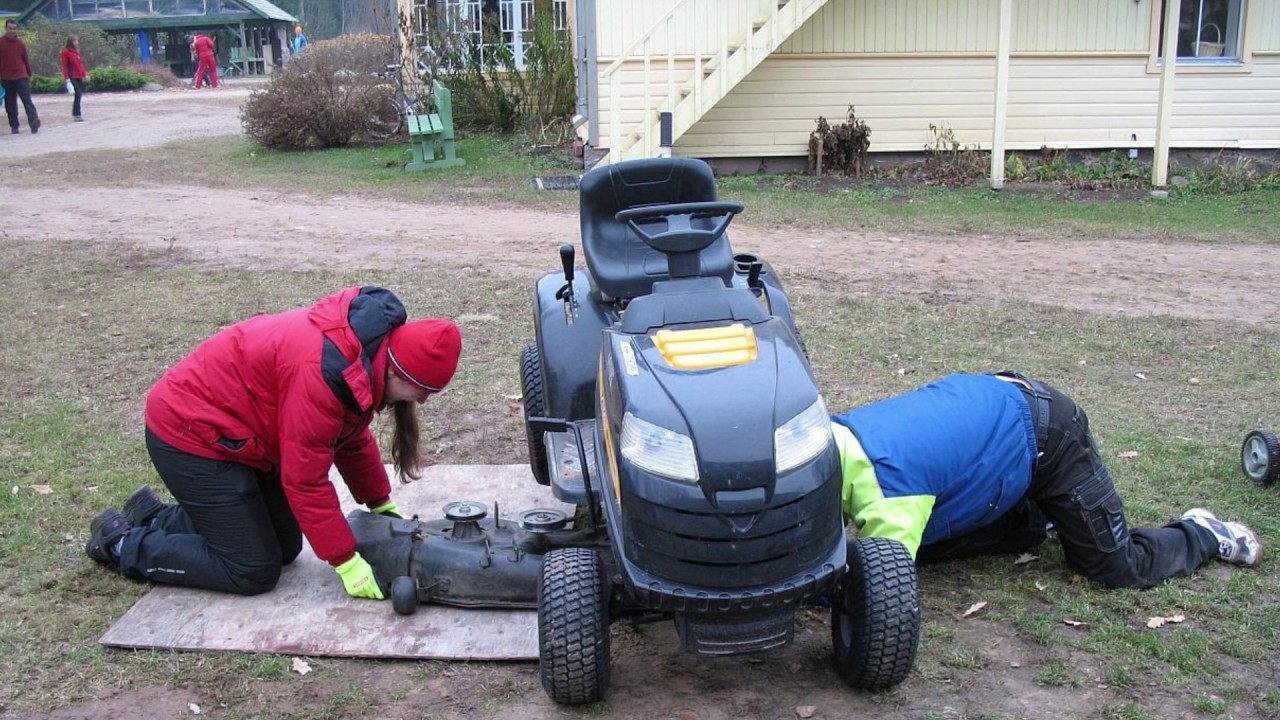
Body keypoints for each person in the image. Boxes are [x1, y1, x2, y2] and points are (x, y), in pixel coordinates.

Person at [85, 286, 463, 600]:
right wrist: (345, 561)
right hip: (190, 433)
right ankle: (121, 543)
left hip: (243, 437)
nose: (423, 401)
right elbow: (305, 480)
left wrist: (380, 504)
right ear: (396, 369)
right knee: (252, 570)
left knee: (285, 547)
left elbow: (349, 437)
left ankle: (154, 515)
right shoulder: (322, 373)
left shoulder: (361, 357)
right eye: (422, 390)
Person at [831, 372, 1263, 590]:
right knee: (930, 541)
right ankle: (1045, 517)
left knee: (1113, 567)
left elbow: (879, 587)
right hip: (990, 416)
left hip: (1050, 435)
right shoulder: (828, 433)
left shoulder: (892, 494)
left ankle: (1202, 533)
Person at [0, 19, 40, 134]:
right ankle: (14, 125)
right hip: (6, 78)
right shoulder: (1, 43)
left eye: (14, 28)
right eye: (10, 28)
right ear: (6, 29)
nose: (12, 31)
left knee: (27, 100)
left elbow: (25, 59)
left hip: (21, 76)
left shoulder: (20, 43)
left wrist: (29, 74)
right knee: (10, 103)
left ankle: (34, 121)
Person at [60, 35, 87, 122]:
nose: (77, 43)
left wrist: (84, 74)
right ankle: (76, 114)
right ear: (71, 42)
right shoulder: (65, 52)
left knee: (79, 94)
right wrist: (66, 78)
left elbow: (80, 64)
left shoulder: (76, 52)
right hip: (72, 76)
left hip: (78, 75)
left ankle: (77, 113)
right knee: (78, 93)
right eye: (75, 41)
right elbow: (65, 66)